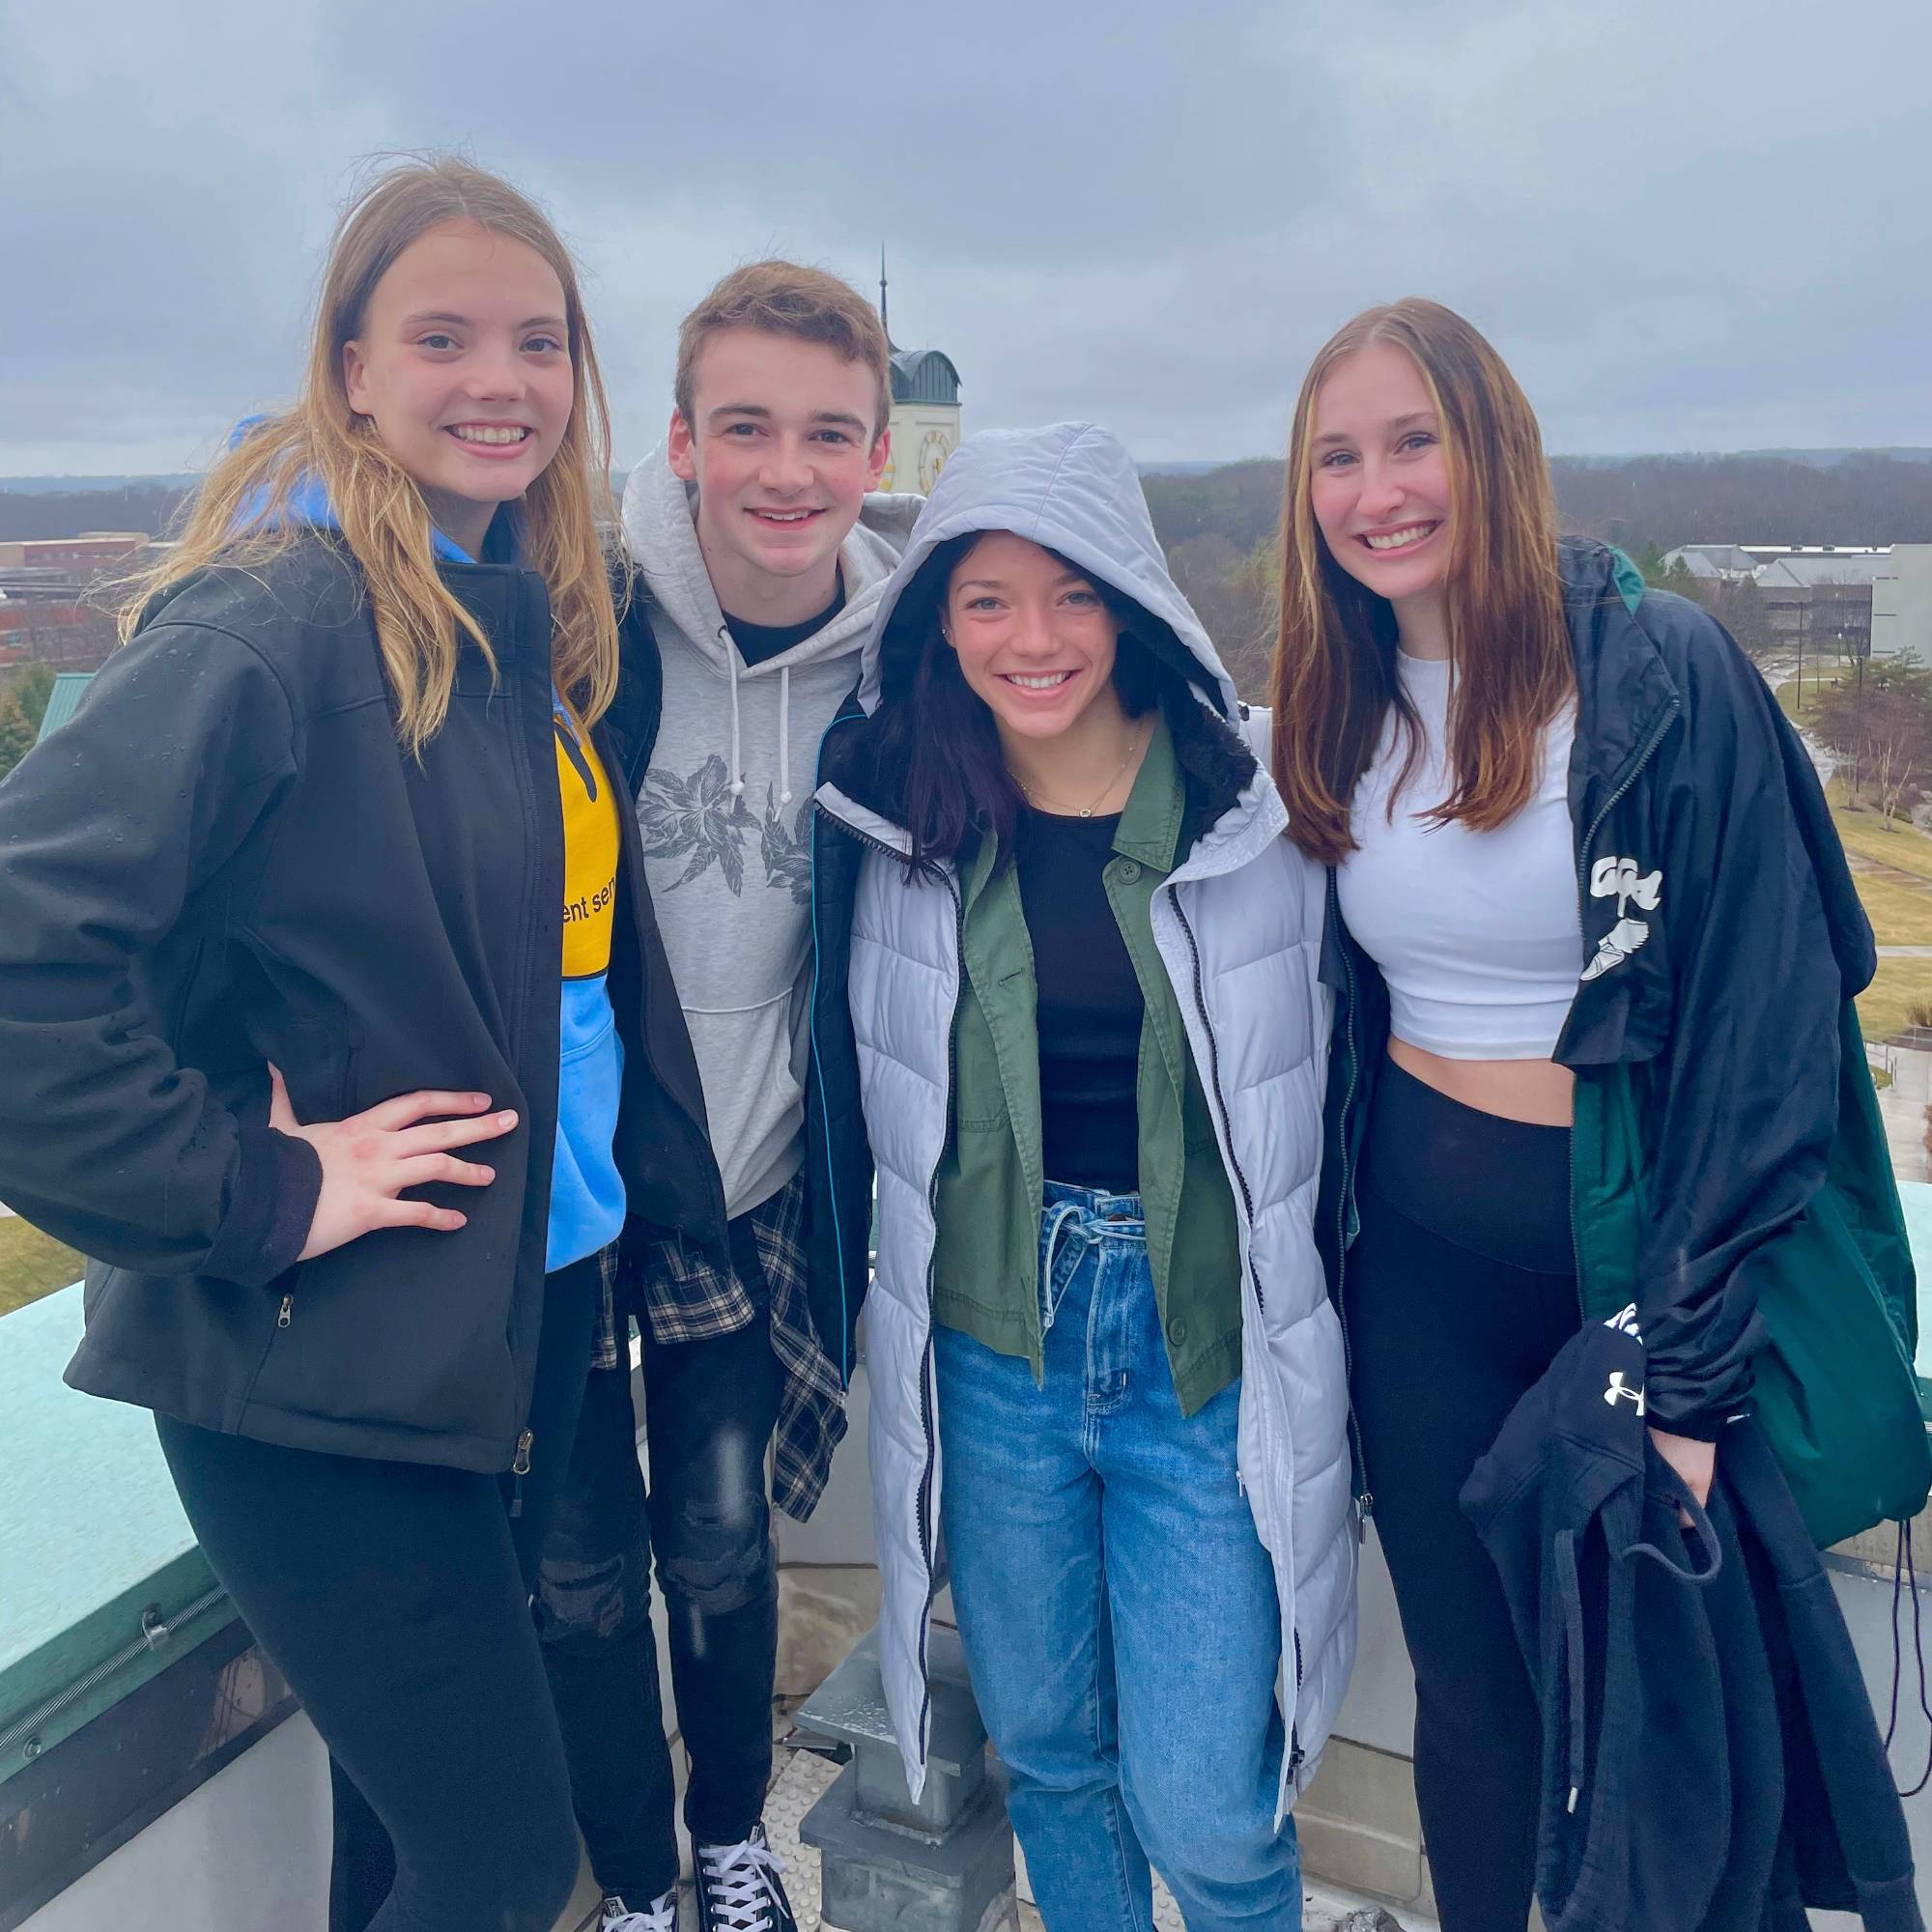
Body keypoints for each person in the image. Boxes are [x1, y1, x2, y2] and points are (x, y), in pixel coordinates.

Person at [0, 158, 722, 1932]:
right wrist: (258, 1184)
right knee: (502, 1859)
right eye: (446, 335)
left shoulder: (509, 617)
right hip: (320, 1358)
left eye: (539, 342)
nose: (504, 379)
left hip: (508, 1314)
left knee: (405, 1839)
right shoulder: (278, 620)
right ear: (352, 367)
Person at [1271, 298, 1909, 1930]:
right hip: (1416, 1279)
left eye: (1414, 440)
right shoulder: (1328, 705)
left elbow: (1768, 1042)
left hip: (1627, 1280)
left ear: (1495, 449)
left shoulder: (1655, 674)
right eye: (1338, 455)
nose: (1377, 489)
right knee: (1474, 1712)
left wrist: (1689, 1370)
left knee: (1659, 1715)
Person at [813, 422, 1356, 1932]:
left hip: (1203, 1348)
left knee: (1209, 1803)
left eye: (1071, 594)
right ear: (939, 622)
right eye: (985, 601)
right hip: (995, 1340)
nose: (1032, 639)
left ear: (1135, 602)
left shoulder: (1261, 810)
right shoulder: (897, 812)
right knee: (1050, 1753)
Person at [535, 262, 921, 1932]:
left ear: (877, 447)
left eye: (827, 432)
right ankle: (633, 1882)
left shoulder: (909, 666)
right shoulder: (580, 622)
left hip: (748, 1185)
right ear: (682, 440)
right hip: (569, 1176)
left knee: (717, 1539)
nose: (787, 470)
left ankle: (728, 1842)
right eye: (746, 426)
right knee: (571, 1571)